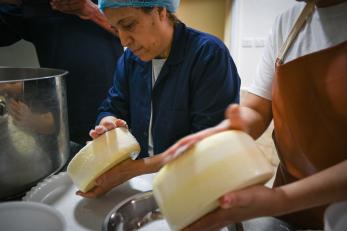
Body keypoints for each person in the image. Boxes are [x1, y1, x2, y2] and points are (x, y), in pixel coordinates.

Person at [160, 0, 347, 230]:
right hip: (289, 206)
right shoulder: (288, 23)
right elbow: (257, 108)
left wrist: (281, 199)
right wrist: (231, 130)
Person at [78, 0, 241, 198]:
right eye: (116, 28)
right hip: (146, 180)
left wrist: (129, 170)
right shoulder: (131, 59)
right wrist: (109, 123)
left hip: (197, 182)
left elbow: (207, 145)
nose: (123, 40)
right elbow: (112, 106)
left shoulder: (208, 54)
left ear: (160, 11)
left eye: (129, 25)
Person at [0, 0, 123, 145]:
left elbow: (140, 30)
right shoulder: (35, 8)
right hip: (60, 120)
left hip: (113, 111)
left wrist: (91, 11)